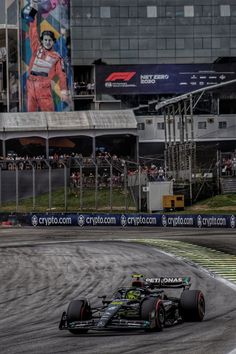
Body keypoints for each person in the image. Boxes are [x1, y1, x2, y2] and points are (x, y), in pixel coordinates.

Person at [26, 0, 69, 111]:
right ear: (42, 40)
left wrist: (64, 91)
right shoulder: (36, 48)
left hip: (44, 90)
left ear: (53, 41)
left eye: (50, 40)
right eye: (45, 40)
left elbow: (62, 75)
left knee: (49, 117)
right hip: (31, 87)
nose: (47, 42)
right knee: (30, 118)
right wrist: (34, 9)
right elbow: (33, 29)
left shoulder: (56, 57)